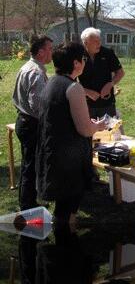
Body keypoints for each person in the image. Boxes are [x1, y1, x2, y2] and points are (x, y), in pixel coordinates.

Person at [36, 42, 106, 223]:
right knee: (68, 206)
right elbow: (84, 130)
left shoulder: (52, 81)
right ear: (75, 63)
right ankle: (66, 236)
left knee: (63, 205)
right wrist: (99, 126)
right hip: (68, 157)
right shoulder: (74, 87)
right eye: (83, 59)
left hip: (53, 149)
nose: (84, 62)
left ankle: (64, 233)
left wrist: (89, 124)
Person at [12, 35, 53, 210]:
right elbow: (37, 106)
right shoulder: (36, 72)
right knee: (30, 167)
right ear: (41, 52)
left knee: (29, 165)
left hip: (24, 121)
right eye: (50, 49)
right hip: (31, 124)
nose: (52, 52)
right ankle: (27, 206)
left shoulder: (27, 67)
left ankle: (28, 202)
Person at [79, 27, 125, 118]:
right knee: (87, 127)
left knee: (108, 127)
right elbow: (70, 80)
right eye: (95, 41)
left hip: (106, 102)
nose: (99, 43)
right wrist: (87, 92)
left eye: (99, 40)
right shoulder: (78, 55)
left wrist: (110, 84)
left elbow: (120, 73)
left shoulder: (108, 53)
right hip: (86, 103)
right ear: (85, 43)